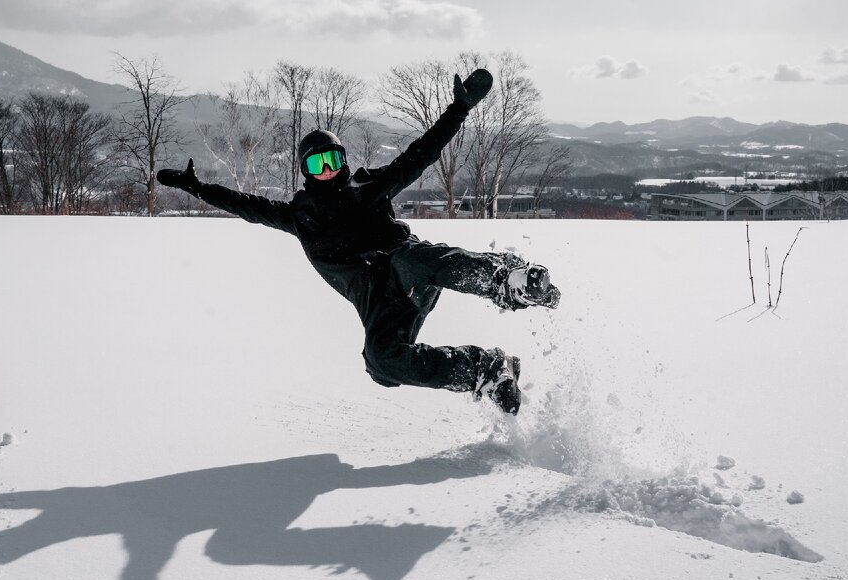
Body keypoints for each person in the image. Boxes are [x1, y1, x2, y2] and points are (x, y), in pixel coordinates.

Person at [158, 68, 560, 414]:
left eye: (334, 159)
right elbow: (244, 204)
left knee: (411, 260)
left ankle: (509, 282)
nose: (329, 170)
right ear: (306, 171)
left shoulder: (368, 186)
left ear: (343, 160)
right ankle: (485, 371)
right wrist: (197, 188)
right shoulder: (301, 217)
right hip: (379, 302)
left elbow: (420, 154)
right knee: (381, 363)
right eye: (318, 164)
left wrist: (459, 109)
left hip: (408, 271)